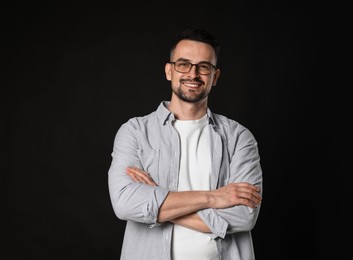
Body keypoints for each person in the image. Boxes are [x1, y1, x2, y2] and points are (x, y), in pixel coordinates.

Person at [108, 28, 263, 260]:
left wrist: (157, 204)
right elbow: (125, 204)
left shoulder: (239, 137)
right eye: (183, 64)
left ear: (215, 76)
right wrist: (213, 197)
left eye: (204, 66)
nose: (193, 74)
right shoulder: (135, 132)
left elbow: (244, 215)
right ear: (169, 71)